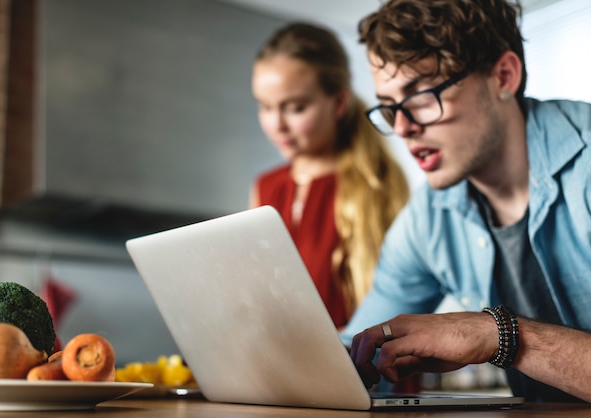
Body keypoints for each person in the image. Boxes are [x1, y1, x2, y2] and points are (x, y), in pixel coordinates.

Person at [342, 0, 591, 403]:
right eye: (389, 107)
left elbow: (491, 334)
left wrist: (498, 335)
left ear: (503, 76)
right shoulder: (427, 218)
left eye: (421, 95)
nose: (403, 128)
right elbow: (359, 349)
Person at [249, 22, 410, 331]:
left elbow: (395, 305)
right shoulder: (266, 186)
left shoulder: (377, 181)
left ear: (337, 103)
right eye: (265, 107)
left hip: (361, 369)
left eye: (294, 108)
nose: (276, 124)